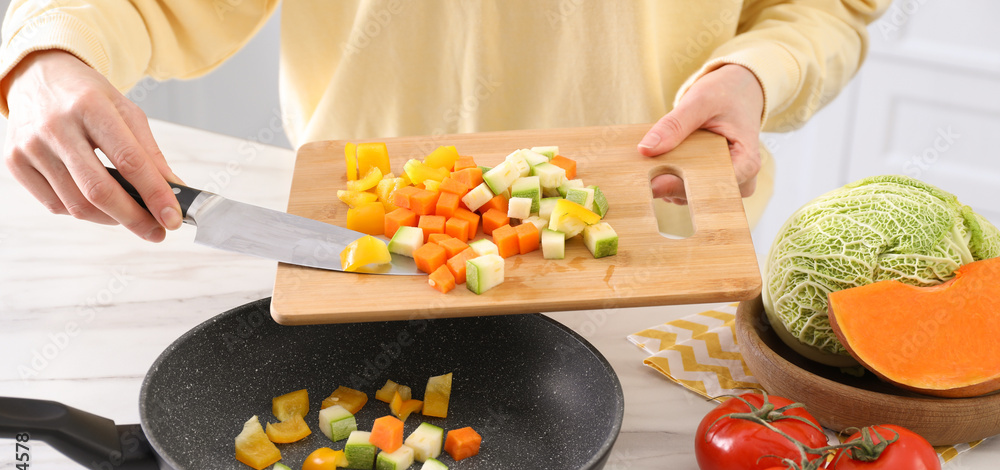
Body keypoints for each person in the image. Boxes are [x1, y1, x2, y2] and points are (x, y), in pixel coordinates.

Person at [0, 1, 889, 243]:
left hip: (665, 243)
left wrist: (756, 71)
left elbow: (827, 7)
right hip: (370, 248)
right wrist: (46, 51)